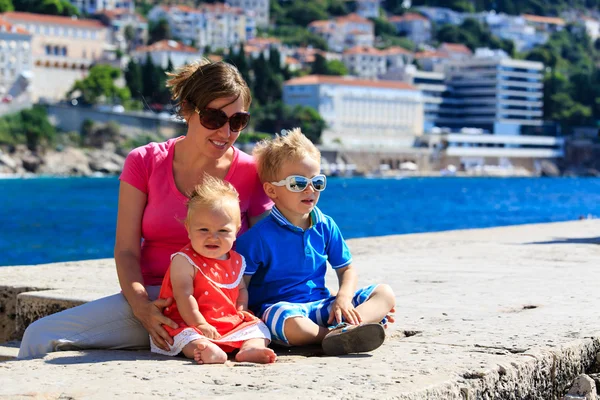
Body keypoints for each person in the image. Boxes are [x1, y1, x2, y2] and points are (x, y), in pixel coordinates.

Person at [18, 59, 272, 359]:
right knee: (40, 334)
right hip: (154, 301)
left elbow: (269, 250)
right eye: (214, 118)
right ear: (189, 110)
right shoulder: (145, 161)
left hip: (219, 308)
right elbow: (126, 250)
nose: (226, 131)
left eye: (238, 121)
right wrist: (143, 309)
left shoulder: (252, 172)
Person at [236, 128, 396, 356]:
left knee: (384, 293)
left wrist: (343, 299)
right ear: (272, 190)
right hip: (285, 310)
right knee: (286, 320)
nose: (310, 189)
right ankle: (332, 336)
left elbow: (347, 269)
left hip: (324, 306)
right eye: (297, 183)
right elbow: (242, 286)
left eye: (317, 182)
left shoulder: (325, 225)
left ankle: (347, 328)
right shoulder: (257, 237)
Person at [151, 175, 276, 364]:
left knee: (258, 328)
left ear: (237, 229)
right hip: (189, 321)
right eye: (203, 230)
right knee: (187, 338)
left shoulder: (235, 261)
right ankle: (204, 350)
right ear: (188, 227)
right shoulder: (184, 261)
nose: (213, 237)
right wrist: (199, 324)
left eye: (223, 231)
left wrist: (241, 309)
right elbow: (184, 296)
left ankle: (250, 348)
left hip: (226, 321)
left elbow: (240, 289)